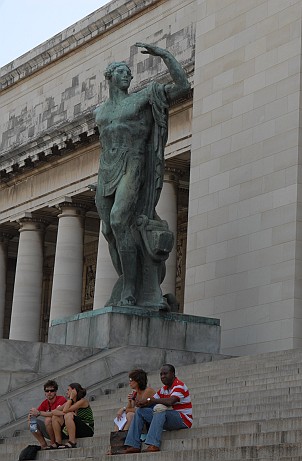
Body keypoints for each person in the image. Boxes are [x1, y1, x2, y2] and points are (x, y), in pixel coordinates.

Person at [94, 42, 190, 309]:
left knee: (119, 218)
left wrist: (165, 56)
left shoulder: (144, 97)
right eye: (123, 72)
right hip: (107, 170)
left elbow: (182, 87)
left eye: (129, 73)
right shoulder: (99, 112)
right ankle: (131, 280)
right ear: (110, 77)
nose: (129, 76)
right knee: (110, 230)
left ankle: (129, 290)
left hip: (134, 165)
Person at [124, 364, 192, 453]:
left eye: (165, 374)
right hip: (168, 418)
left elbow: (171, 401)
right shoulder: (164, 389)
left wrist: (151, 400)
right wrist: (138, 402)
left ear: (173, 374)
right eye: (161, 374)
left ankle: (154, 444)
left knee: (160, 410)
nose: (162, 376)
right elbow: (149, 401)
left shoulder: (179, 386)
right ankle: (134, 444)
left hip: (183, 419)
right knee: (140, 411)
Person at [27, 380, 67, 450]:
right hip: (50, 430)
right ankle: (43, 444)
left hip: (62, 430)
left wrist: (39, 413)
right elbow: (36, 413)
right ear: (44, 393)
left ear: (55, 392)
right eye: (47, 391)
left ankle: (53, 442)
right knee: (31, 423)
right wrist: (31, 415)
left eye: (52, 390)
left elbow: (54, 413)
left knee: (48, 419)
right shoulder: (45, 403)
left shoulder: (61, 399)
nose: (49, 393)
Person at [52, 383, 94, 448]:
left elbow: (65, 410)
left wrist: (71, 398)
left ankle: (72, 441)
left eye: (68, 390)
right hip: (76, 429)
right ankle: (58, 442)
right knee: (55, 417)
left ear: (74, 391)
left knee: (68, 415)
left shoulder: (82, 401)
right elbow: (54, 411)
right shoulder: (69, 402)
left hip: (87, 430)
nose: (66, 392)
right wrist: (66, 413)